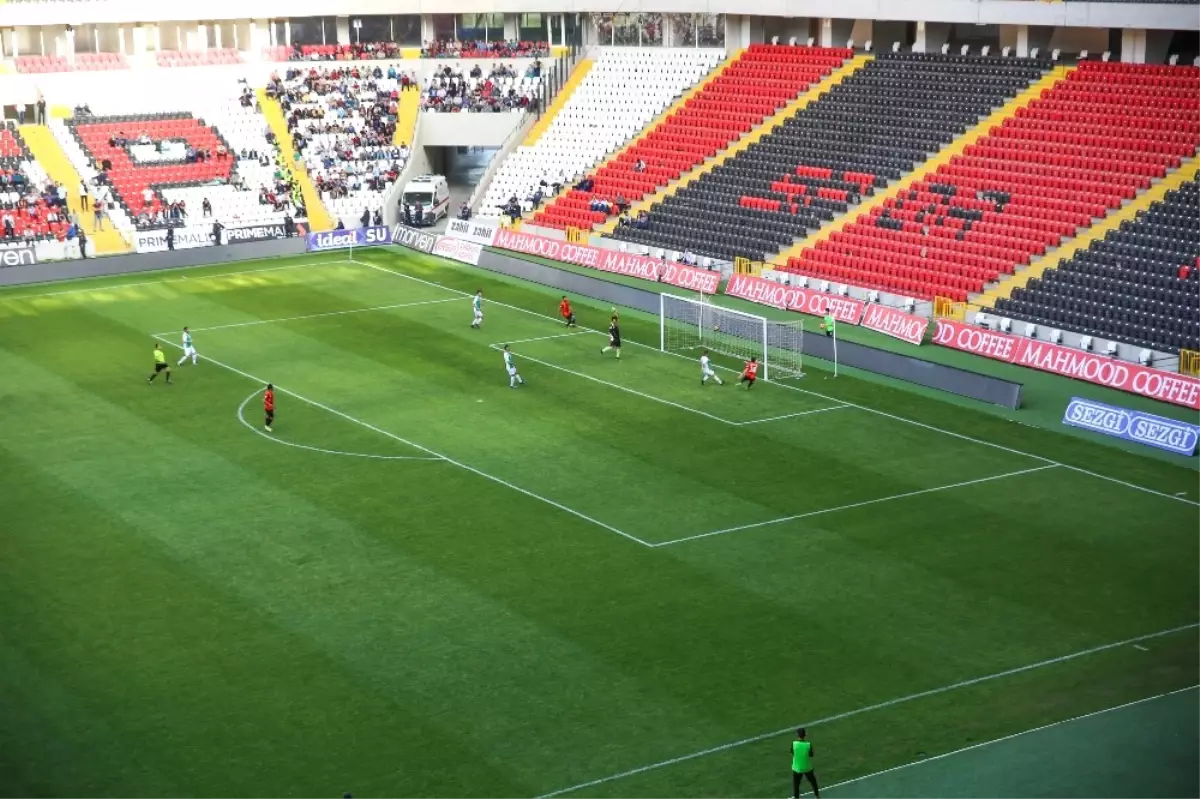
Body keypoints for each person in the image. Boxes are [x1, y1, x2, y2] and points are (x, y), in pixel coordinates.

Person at [790, 728, 820, 798]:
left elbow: (792, 752)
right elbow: (811, 755)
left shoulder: (794, 744)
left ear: (797, 735)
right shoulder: (808, 745)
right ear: (805, 735)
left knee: (796, 785)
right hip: (807, 768)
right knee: (813, 782)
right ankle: (817, 795)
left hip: (797, 768)